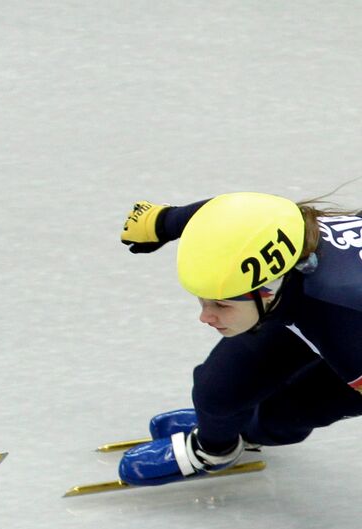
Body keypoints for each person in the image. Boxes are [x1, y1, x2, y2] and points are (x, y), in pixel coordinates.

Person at [117, 192, 362, 485]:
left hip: (348, 331)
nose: (205, 317)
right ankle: (218, 444)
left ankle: (243, 436)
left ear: (266, 288)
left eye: (221, 304)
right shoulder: (286, 232)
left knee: (286, 413)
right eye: (203, 301)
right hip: (314, 306)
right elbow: (228, 216)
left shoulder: (340, 318)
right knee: (217, 391)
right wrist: (164, 222)